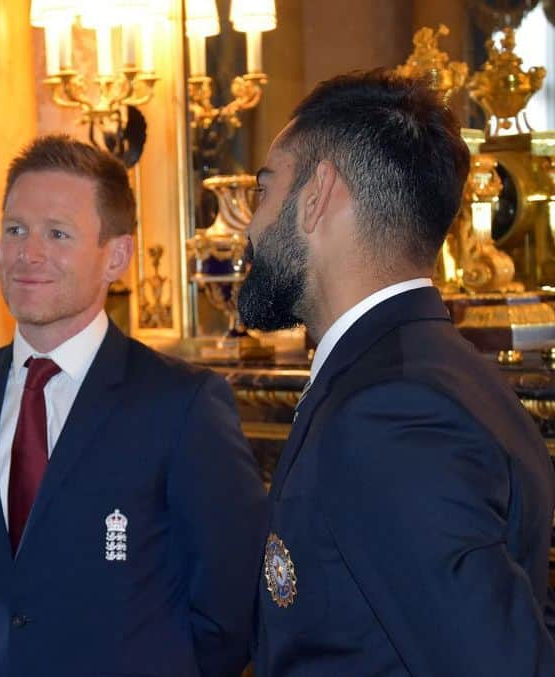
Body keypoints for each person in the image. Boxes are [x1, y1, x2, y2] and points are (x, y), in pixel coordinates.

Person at [238, 70, 555, 675]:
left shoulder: (392, 413)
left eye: (264, 190)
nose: (250, 229)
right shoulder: (428, 372)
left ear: (315, 196)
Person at [0, 135, 268, 677]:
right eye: (15, 230)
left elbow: (231, 603)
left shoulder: (182, 405)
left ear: (118, 256)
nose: (28, 254)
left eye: (57, 234)